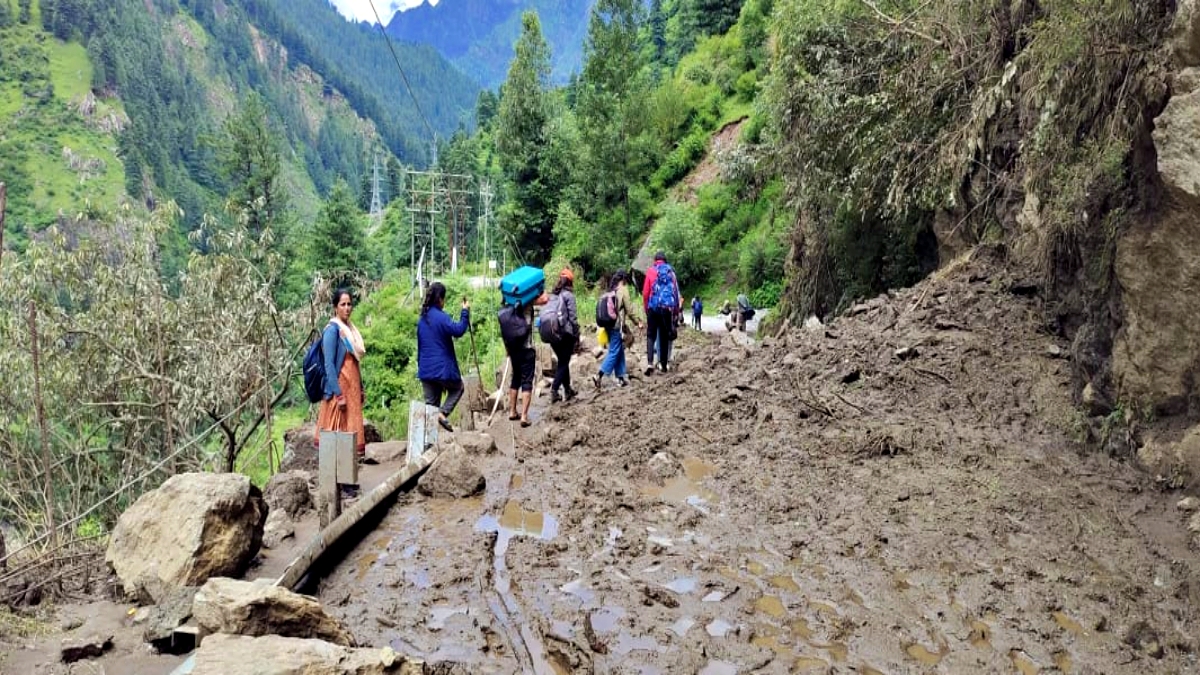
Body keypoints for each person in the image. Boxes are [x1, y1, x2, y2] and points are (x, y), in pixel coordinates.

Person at [315, 289, 367, 460]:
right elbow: (329, 364)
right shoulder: (333, 331)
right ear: (335, 307)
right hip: (340, 393)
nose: (347, 308)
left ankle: (347, 482)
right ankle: (337, 482)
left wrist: (360, 388)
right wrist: (338, 395)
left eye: (349, 304)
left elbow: (354, 362)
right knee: (337, 434)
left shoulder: (350, 331)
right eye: (343, 304)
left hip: (351, 392)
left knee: (349, 434)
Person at [416, 282, 470, 432]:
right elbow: (459, 330)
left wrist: (420, 366)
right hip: (442, 370)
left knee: (430, 408)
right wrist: (465, 312)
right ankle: (443, 412)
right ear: (440, 299)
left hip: (425, 370)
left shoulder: (422, 320)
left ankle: (427, 447)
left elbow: (420, 346)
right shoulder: (441, 317)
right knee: (458, 387)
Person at [594, 271, 642, 388]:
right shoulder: (623, 290)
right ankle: (599, 375)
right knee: (614, 351)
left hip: (607, 324)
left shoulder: (611, 289)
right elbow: (629, 310)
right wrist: (638, 322)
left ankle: (620, 377)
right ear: (624, 280)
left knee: (619, 349)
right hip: (616, 325)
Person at [642, 251, 682, 375]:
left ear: (655, 260)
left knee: (651, 335)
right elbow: (675, 294)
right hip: (666, 309)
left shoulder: (650, 271)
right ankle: (663, 365)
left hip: (653, 308)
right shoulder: (671, 273)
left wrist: (646, 309)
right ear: (665, 260)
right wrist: (675, 312)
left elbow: (645, 293)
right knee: (664, 335)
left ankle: (650, 363)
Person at [501, 300, 537, 427]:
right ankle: (524, 416)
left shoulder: (507, 307)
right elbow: (544, 299)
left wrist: (508, 350)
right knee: (527, 381)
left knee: (515, 379)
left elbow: (504, 331)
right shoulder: (527, 303)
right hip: (527, 349)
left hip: (513, 350)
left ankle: (512, 411)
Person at [548, 269, 580, 404]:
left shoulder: (554, 295)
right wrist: (577, 334)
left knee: (563, 360)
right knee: (564, 362)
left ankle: (567, 389)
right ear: (570, 282)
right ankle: (554, 390)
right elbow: (572, 318)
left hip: (552, 334)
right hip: (564, 334)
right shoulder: (568, 296)